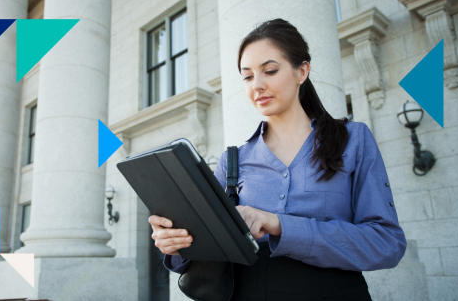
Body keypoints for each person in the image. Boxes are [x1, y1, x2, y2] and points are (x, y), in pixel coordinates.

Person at [148, 18, 406, 300]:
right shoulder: (232, 160)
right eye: (247, 76)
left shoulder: (353, 140)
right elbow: (209, 247)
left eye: (269, 70)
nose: (257, 85)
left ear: (301, 71)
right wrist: (176, 243)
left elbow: (386, 243)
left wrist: (279, 224)